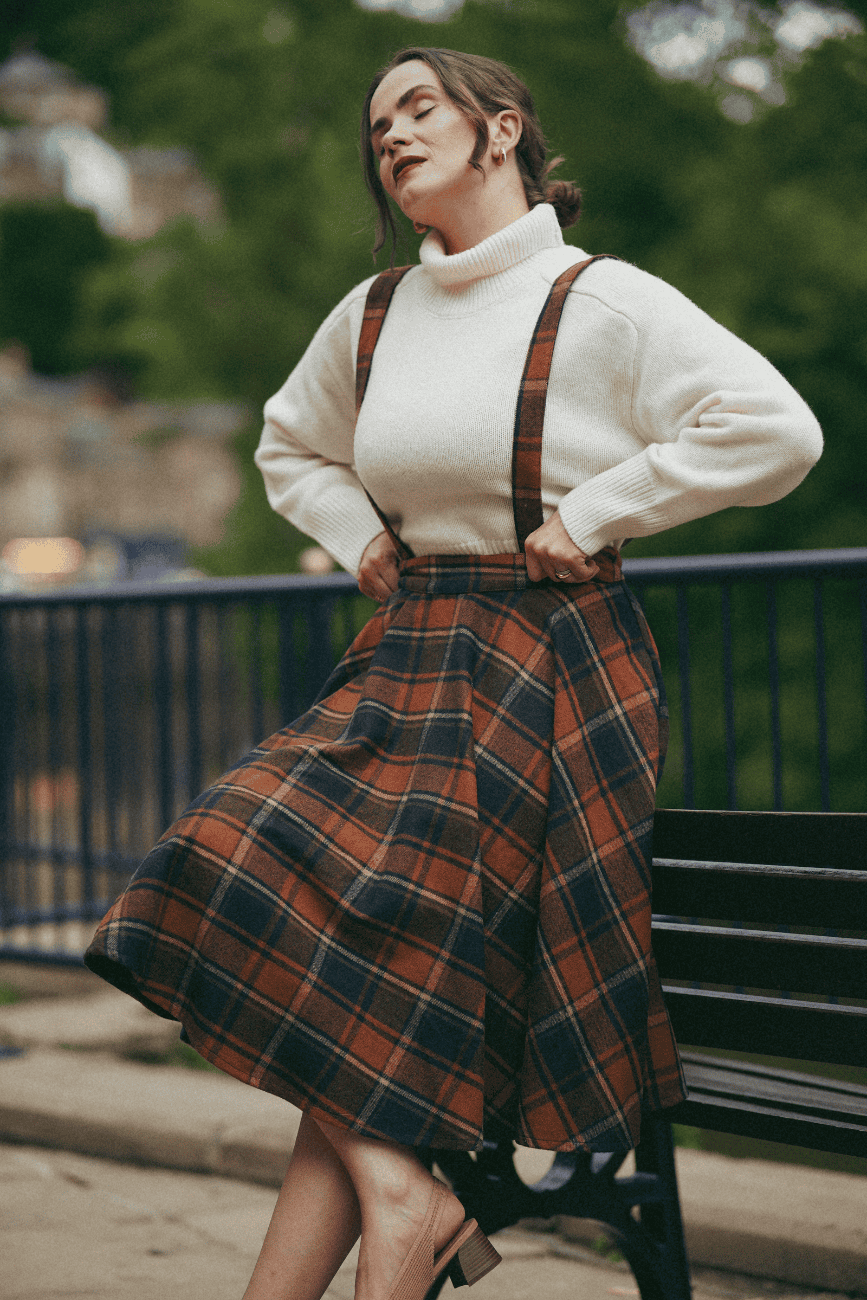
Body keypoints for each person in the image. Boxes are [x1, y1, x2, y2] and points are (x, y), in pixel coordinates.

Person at [85, 45, 823, 1300]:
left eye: (419, 107)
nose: (391, 134)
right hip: (411, 651)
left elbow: (776, 430)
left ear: (503, 129)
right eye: (377, 123)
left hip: (552, 670)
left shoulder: (603, 301)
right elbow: (288, 444)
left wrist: (601, 510)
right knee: (221, 848)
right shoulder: (374, 314)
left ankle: (384, 1221)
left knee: (365, 977)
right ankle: (403, 1198)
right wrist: (356, 533)